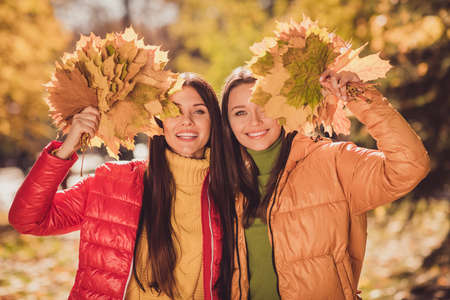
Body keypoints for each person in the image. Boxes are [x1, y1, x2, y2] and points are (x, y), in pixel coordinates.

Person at [9, 73, 234, 300]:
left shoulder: (232, 193)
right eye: (174, 111)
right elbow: (28, 219)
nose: (187, 120)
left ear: (213, 121)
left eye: (199, 111)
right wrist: (67, 148)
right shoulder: (114, 182)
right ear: (157, 122)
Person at [220, 67, 430, 300]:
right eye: (240, 113)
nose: (255, 121)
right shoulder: (221, 181)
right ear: (227, 123)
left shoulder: (331, 161)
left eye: (265, 106)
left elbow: (409, 166)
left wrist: (359, 96)